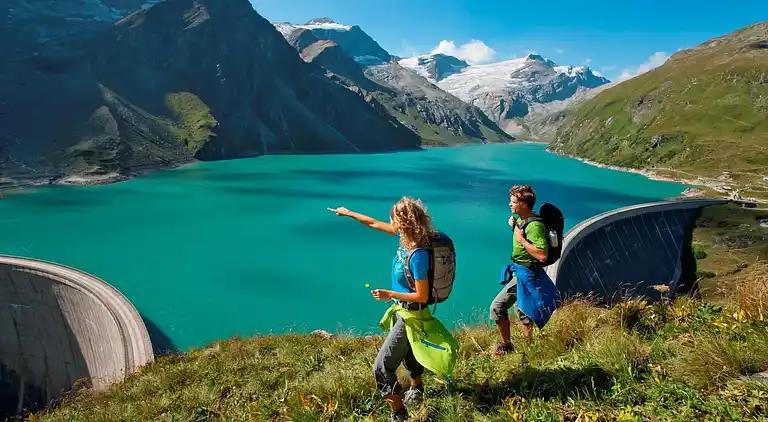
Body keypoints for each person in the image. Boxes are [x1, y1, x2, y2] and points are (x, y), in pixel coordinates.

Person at [328, 197, 436, 421]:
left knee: (382, 366)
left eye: (394, 218)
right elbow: (374, 223)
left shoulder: (418, 254)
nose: (390, 221)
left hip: (412, 313)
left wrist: (390, 294)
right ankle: (416, 388)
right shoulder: (407, 239)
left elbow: (422, 295)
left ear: (403, 222)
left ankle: (398, 413)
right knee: (408, 351)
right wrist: (348, 212)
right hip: (405, 311)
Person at [490, 185, 560, 356]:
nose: (509, 204)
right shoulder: (524, 220)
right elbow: (522, 235)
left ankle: (510, 346)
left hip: (527, 273)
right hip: (521, 272)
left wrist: (521, 240)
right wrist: (514, 226)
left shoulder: (534, 226)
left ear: (524, 204)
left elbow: (542, 255)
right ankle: (525, 348)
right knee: (523, 310)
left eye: (513, 202)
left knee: (498, 307)